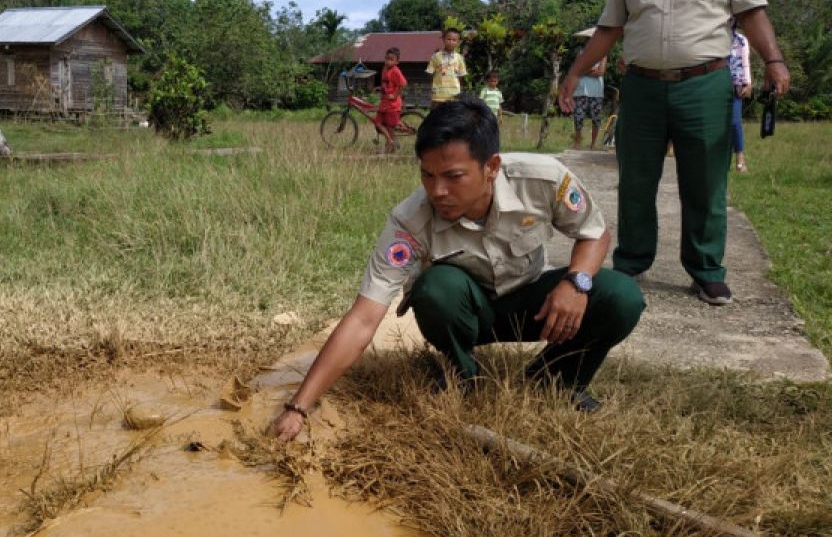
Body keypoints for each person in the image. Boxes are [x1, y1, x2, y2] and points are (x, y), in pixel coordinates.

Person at [270, 99, 645, 442]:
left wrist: (575, 282)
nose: (437, 191)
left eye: (453, 176)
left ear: (491, 167)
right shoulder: (408, 222)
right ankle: (463, 376)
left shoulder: (543, 179)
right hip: (468, 314)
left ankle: (558, 381)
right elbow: (364, 319)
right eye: (427, 175)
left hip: (533, 303)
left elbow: (594, 233)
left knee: (621, 296)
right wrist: (298, 406)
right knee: (435, 287)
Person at [557, 0, 790, 307]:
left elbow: (752, 12)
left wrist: (773, 60)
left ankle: (706, 271)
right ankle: (631, 262)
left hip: (704, 84)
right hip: (642, 88)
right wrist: (574, 73)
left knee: (704, 182)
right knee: (636, 180)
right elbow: (610, 28)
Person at [728, 23, 751, 173]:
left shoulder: (741, 39)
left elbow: (745, 62)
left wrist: (747, 82)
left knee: (735, 122)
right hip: (713, 85)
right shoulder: (711, 38)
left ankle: (740, 160)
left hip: (736, 85)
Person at [571, 56, 607, 150]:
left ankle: (593, 144)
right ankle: (577, 143)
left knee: (596, 119)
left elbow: (601, 72)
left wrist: (586, 70)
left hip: (596, 92)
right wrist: (591, 70)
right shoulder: (581, 52)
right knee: (578, 117)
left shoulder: (603, 55)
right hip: (580, 91)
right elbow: (577, 70)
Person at [378, 46, 408, 153]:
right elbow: (385, 83)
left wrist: (395, 95)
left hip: (393, 104)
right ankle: (391, 141)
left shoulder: (396, 71)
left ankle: (390, 146)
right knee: (378, 123)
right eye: (386, 58)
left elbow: (403, 84)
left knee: (390, 127)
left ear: (397, 61)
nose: (388, 61)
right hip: (384, 102)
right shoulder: (384, 68)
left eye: (391, 59)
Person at [426, 28, 467, 102]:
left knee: (453, 113)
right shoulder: (436, 56)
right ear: (443, 39)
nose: (451, 42)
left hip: (454, 94)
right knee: (437, 113)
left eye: (454, 40)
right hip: (438, 94)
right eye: (448, 39)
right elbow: (430, 73)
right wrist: (436, 85)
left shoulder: (460, 58)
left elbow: (461, 76)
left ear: (458, 42)